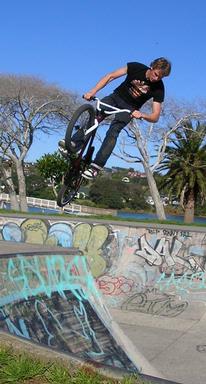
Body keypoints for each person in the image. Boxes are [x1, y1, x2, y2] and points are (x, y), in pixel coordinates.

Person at [60, 57, 171, 179]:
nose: (157, 79)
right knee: (94, 118)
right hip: (115, 97)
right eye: (156, 75)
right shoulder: (135, 67)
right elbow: (110, 76)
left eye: (161, 77)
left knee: (113, 131)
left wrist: (142, 114)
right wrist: (93, 92)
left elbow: (155, 116)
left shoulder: (159, 88)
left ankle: (96, 167)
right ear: (152, 67)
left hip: (130, 108)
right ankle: (74, 144)